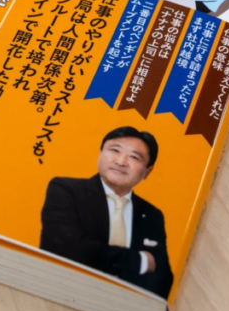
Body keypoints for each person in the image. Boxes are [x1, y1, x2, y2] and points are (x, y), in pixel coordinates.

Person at [39, 126, 174, 299]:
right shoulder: (65, 189)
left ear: (148, 171)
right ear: (100, 154)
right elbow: (68, 247)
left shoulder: (152, 214)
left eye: (134, 157)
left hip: (123, 303)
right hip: (60, 292)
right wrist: (141, 261)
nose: (121, 161)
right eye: (115, 150)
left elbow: (163, 277)